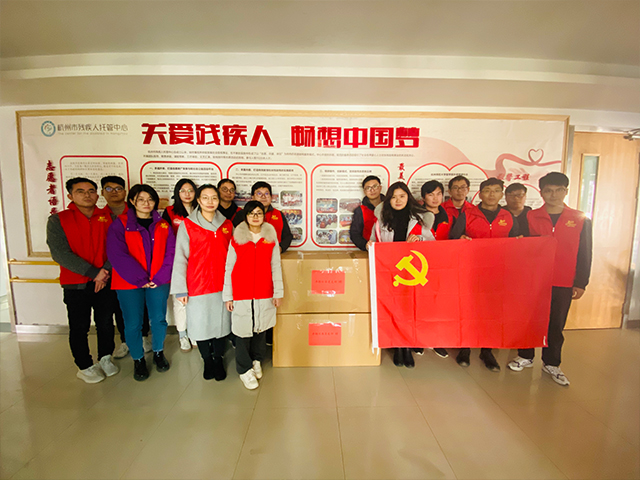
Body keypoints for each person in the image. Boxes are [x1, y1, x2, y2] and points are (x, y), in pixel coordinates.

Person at [508, 172, 592, 386]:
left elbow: (585, 252)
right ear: (541, 192)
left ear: (566, 191)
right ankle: (525, 356)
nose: (553, 195)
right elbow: (521, 247)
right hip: (534, 279)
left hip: (564, 281)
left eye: (558, 190)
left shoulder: (580, 219)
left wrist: (581, 282)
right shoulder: (530, 216)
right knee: (529, 320)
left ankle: (552, 362)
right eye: (548, 191)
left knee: (556, 323)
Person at [46, 177, 119, 383]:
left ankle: (105, 357)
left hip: (106, 281)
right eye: (80, 191)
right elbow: (60, 253)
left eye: (91, 191)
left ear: (97, 194)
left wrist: (104, 272)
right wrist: (94, 273)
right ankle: (84, 366)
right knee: (79, 326)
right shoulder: (58, 220)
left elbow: (117, 248)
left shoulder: (109, 217)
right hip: (76, 284)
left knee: (106, 322)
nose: (87, 195)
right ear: (70, 195)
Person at [449, 177, 520, 372]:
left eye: (496, 191)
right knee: (468, 310)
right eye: (487, 191)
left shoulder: (508, 216)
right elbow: (453, 239)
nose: (491, 195)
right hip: (470, 271)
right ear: (480, 194)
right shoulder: (468, 215)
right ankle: (465, 348)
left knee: (492, 313)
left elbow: (517, 244)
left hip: (498, 273)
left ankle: (487, 350)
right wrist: (460, 239)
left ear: (501, 194)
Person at [107, 184, 176, 381]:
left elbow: (171, 253)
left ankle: (158, 352)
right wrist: (140, 278)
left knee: (159, 318)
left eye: (150, 199)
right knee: (133, 323)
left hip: (158, 281)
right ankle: (138, 359)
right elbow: (117, 255)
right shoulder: (120, 224)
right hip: (129, 283)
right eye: (141, 200)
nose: (146, 203)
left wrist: (160, 277)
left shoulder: (163, 225)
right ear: (132, 201)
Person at [367, 181, 435, 369]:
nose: (398, 200)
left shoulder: (420, 219)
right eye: (394, 197)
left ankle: (407, 346)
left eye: (402, 196)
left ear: (408, 197)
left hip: (413, 273)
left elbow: (433, 243)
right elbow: (373, 241)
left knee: (410, 310)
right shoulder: (382, 220)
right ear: (388, 200)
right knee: (394, 309)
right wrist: (369, 245)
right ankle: (397, 346)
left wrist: (419, 239)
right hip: (390, 272)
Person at [171, 184, 233, 381]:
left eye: (214, 197)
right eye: (205, 197)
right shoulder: (188, 225)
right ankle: (207, 360)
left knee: (221, 325)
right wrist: (181, 290)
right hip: (197, 284)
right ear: (198, 200)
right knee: (200, 326)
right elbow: (180, 257)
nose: (210, 202)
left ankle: (218, 358)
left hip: (222, 285)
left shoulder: (226, 225)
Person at [224, 201, 284, 389]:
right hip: (241, 292)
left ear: (264, 215)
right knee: (242, 332)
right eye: (251, 213)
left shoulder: (270, 238)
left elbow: (276, 266)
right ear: (246, 216)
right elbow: (229, 267)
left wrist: (278, 292)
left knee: (261, 328)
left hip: (264, 291)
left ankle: (257, 360)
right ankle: (244, 369)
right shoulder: (237, 238)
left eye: (259, 213)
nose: (255, 217)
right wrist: (228, 296)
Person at [100, 175, 151, 359]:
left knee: (141, 308)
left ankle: (142, 337)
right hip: (108, 273)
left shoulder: (141, 215)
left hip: (138, 272)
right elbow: (114, 250)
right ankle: (125, 342)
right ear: (102, 192)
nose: (114, 192)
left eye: (118, 188)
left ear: (125, 192)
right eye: (109, 188)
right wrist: (102, 270)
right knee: (117, 310)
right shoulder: (99, 216)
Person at [162, 179, 198, 352]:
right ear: (177, 193)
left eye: (190, 190)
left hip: (198, 261)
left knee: (195, 300)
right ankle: (182, 335)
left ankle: (194, 332)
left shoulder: (201, 210)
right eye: (183, 190)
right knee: (180, 299)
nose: (187, 194)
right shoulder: (170, 211)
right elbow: (164, 237)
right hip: (178, 260)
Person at [420, 179, 452, 359]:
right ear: (423, 197)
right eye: (430, 194)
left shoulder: (449, 216)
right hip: (421, 267)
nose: (435, 198)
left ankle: (438, 340)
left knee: (440, 305)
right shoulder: (416, 216)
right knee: (422, 303)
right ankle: (419, 340)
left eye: (438, 194)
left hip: (443, 266)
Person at [233, 181, 293, 253]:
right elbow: (234, 236)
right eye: (259, 193)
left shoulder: (279, 214)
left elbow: (288, 236)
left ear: (271, 197)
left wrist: (280, 248)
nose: (263, 196)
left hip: (272, 255)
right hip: (247, 254)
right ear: (252, 197)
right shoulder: (242, 214)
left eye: (266, 194)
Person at [350, 175, 385, 251]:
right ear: (364, 191)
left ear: (380, 188)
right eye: (368, 188)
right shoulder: (360, 211)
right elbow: (355, 234)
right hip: (369, 251)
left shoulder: (390, 207)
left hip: (388, 249)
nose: (372, 190)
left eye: (375, 186)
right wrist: (366, 245)